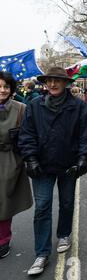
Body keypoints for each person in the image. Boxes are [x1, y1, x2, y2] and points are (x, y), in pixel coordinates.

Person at [18, 66, 87, 276]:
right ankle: (42, 253)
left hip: (67, 165)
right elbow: (27, 135)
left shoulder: (79, 107)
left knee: (67, 202)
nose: (52, 84)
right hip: (42, 166)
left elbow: (86, 135)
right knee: (42, 207)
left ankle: (64, 234)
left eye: (57, 80)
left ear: (65, 83)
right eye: (49, 80)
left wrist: (83, 157)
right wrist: (31, 158)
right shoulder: (34, 106)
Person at [0, 72, 33, 259]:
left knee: (5, 201)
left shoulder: (21, 108)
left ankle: (4, 240)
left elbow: (29, 135)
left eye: (6, 86)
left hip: (10, 159)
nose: (2, 90)